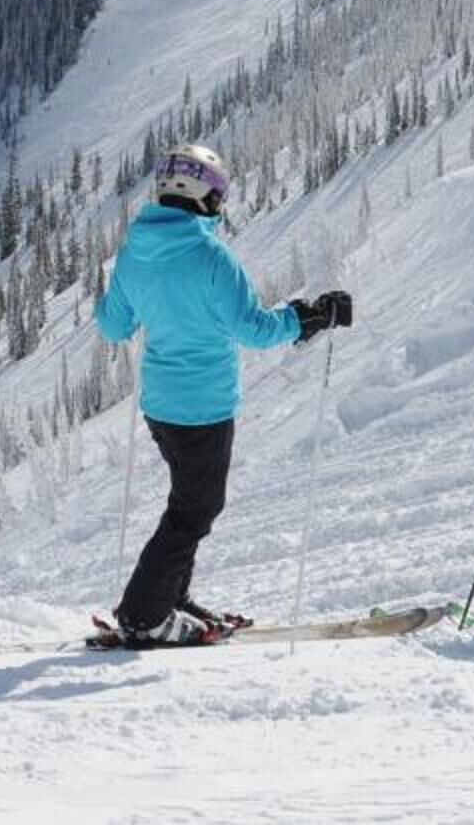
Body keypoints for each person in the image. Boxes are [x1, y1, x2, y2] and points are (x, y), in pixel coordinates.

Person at [93, 143, 351, 647]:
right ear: (203, 195)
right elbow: (254, 330)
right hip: (204, 407)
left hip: (161, 406)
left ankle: (168, 596)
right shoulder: (210, 257)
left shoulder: (134, 251)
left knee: (187, 500)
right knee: (196, 509)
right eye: (219, 194)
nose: (221, 204)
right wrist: (308, 317)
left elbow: (113, 325)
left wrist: (143, 295)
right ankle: (144, 615)